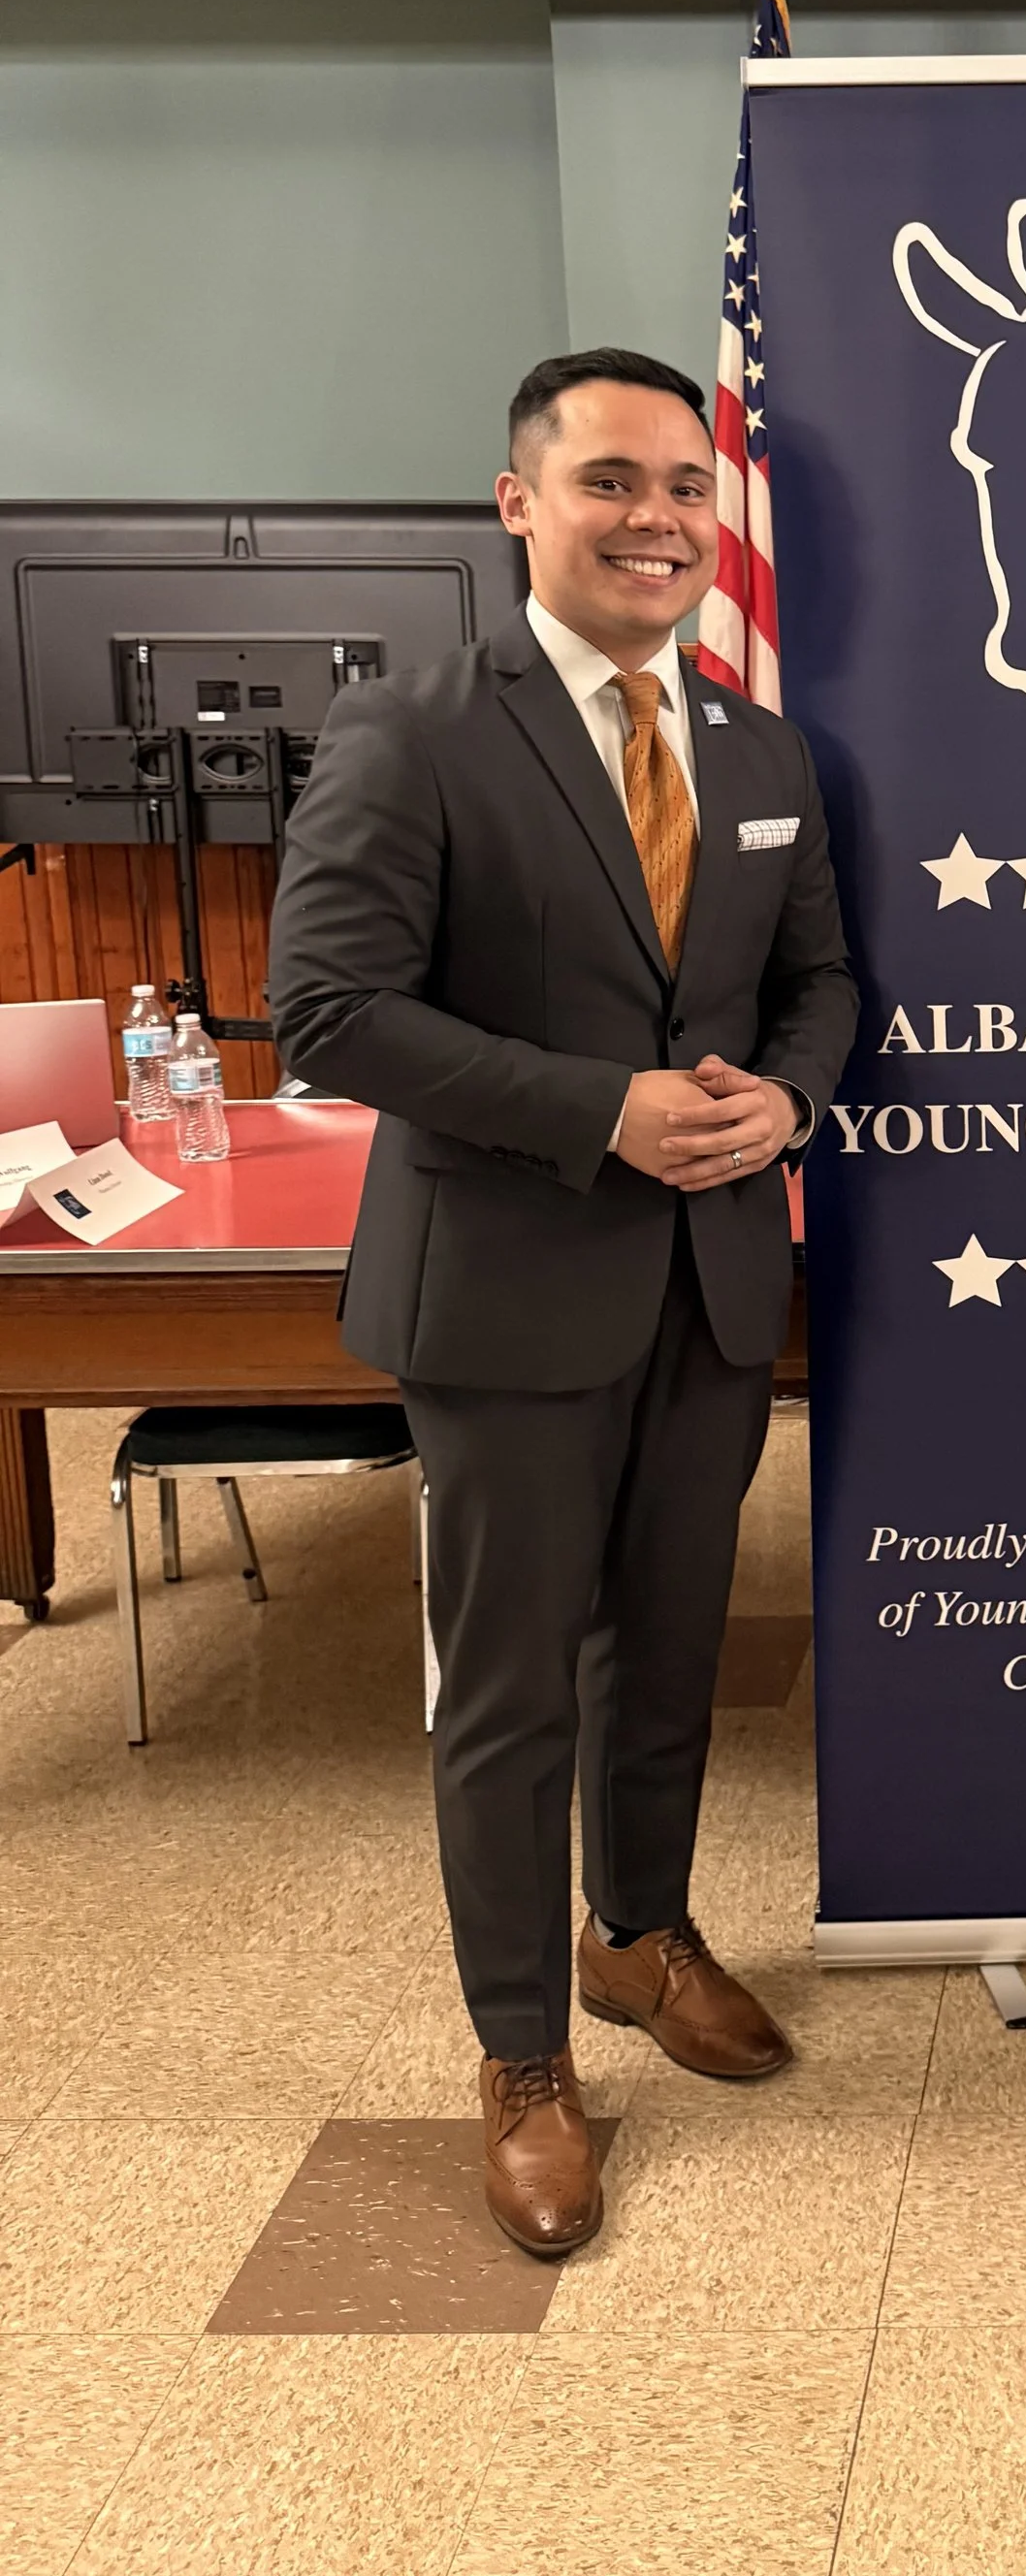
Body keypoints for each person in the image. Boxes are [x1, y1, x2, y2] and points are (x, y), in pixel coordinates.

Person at [269, 346, 856, 2256]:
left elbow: (820, 980)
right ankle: (523, 2052)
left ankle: (642, 1934)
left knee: (669, 1651)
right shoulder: (419, 729)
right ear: (519, 502)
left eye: (684, 485)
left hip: (709, 1285)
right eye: (610, 482)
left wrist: (791, 1092)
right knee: (511, 1694)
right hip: (508, 1293)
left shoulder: (762, 751)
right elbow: (335, 1011)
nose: (659, 518)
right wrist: (600, 1111)